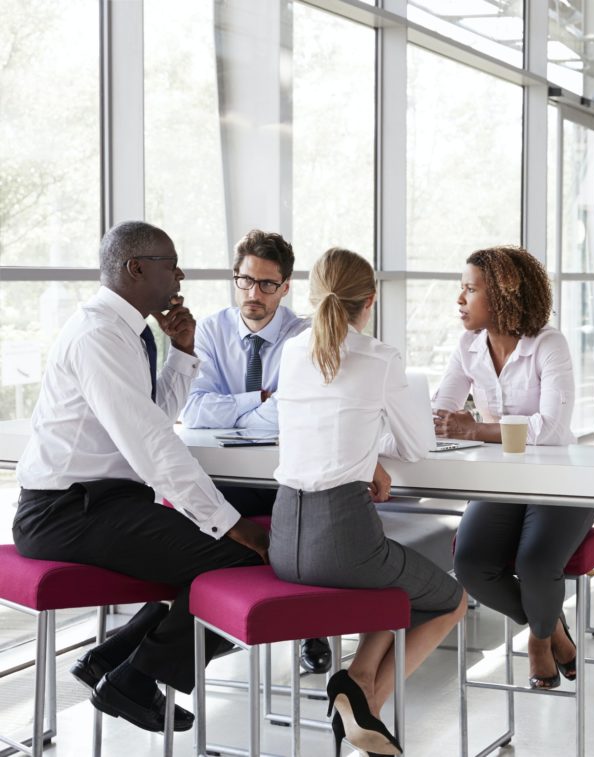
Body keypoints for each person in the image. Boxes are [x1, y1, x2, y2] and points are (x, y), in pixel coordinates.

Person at [13, 221, 268, 733]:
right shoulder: (100, 336)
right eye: (171, 264)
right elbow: (151, 445)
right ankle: (134, 678)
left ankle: (113, 662)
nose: (180, 274)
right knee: (243, 557)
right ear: (136, 268)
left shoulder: (125, 331)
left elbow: (154, 417)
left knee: (218, 558)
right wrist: (226, 520)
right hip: (67, 511)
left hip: (99, 504)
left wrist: (183, 352)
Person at [270, 247, 467, 756]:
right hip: (343, 543)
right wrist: (373, 450)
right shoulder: (380, 358)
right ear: (370, 301)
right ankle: (368, 700)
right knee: (448, 599)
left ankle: (357, 683)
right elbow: (417, 448)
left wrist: (363, 452)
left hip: (284, 540)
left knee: (396, 581)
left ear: (312, 297)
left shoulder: (290, 351)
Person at [432, 245, 594, 690]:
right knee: (470, 564)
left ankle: (538, 641)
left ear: (502, 295)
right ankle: (551, 625)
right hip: (503, 482)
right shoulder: (468, 347)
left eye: (470, 289)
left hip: (563, 481)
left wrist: (477, 429)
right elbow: (441, 413)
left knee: (536, 562)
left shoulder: (548, 344)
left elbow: (551, 428)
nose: (460, 299)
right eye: (461, 289)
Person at [179, 228, 335, 673]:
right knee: (203, 519)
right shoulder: (210, 330)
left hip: (289, 475)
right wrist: (261, 401)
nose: (254, 292)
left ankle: (310, 626)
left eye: (268, 284)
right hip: (229, 476)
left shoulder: (304, 334)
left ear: (285, 288)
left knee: (303, 520)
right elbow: (193, 411)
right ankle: (217, 621)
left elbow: (296, 413)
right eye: (246, 280)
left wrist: (247, 409)